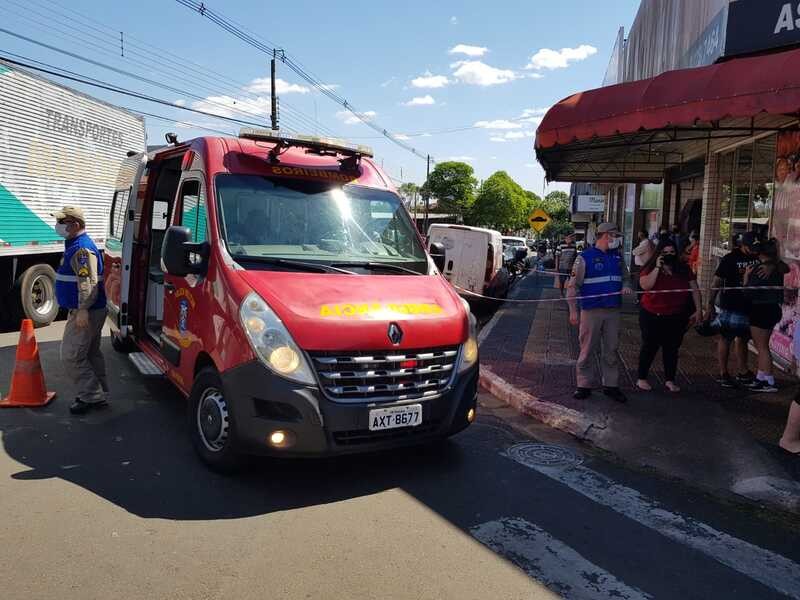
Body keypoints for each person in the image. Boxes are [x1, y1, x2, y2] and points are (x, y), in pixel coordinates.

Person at [567, 222, 634, 402]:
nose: (617, 239)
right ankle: (583, 385)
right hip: (591, 310)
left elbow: (626, 278)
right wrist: (573, 311)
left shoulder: (617, 257)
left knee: (611, 349)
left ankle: (611, 385)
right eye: (615, 236)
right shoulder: (584, 257)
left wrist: (626, 285)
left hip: (613, 310)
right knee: (587, 348)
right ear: (606, 235)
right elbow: (572, 286)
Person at [53, 206, 109, 415]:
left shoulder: (81, 249)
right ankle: (99, 393)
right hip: (89, 310)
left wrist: (83, 309)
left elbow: (88, 283)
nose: (58, 226)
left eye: (62, 222)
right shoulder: (75, 245)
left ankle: (91, 396)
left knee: (71, 355)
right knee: (90, 353)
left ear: (75, 225)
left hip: (86, 312)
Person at [636, 239, 703, 392]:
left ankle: (669, 380)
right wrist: (657, 268)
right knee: (649, 346)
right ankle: (642, 378)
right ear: (659, 253)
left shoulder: (683, 269)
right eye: (665, 252)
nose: (669, 255)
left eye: (672, 252)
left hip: (675, 315)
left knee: (672, 348)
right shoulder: (650, 267)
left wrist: (699, 309)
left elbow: (694, 289)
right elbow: (646, 285)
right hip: (652, 314)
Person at [706, 232, 761, 388]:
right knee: (726, 338)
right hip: (731, 304)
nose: (754, 250)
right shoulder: (730, 258)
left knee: (743, 338)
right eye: (750, 247)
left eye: (756, 247)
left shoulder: (758, 256)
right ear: (742, 245)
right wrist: (710, 303)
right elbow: (717, 281)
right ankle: (723, 373)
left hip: (750, 304)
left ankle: (743, 371)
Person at [743, 239, 786, 393]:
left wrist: (746, 277)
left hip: (760, 309)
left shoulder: (759, 269)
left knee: (762, 347)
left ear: (761, 253)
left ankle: (768, 380)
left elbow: (748, 292)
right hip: (773, 308)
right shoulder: (777, 267)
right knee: (762, 346)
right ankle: (761, 378)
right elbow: (786, 268)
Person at [631, 230, 654, 303]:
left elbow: (635, 251)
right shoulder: (645, 242)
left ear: (642, 235)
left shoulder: (646, 243)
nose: (638, 236)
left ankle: (640, 299)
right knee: (640, 283)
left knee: (640, 283)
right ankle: (640, 298)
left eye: (639, 235)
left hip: (643, 266)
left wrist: (635, 250)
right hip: (643, 266)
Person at [555, 231, 578, 298]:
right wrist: (556, 267)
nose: (572, 239)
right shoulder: (561, 244)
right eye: (570, 237)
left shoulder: (574, 244)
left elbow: (575, 256)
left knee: (572, 282)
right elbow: (557, 256)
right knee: (562, 281)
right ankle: (561, 293)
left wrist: (576, 266)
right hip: (562, 267)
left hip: (571, 267)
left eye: (572, 237)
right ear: (566, 238)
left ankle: (570, 294)